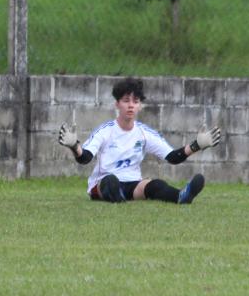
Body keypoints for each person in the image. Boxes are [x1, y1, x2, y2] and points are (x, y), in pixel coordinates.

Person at [58, 77, 221, 204]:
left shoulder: (144, 133)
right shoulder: (105, 130)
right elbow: (85, 157)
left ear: (140, 106)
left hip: (132, 185)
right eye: (126, 101)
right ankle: (117, 196)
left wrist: (197, 145)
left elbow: (172, 156)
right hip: (103, 183)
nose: (131, 106)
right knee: (111, 182)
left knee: (155, 184)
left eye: (135, 102)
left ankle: (181, 196)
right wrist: (74, 145)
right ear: (117, 104)